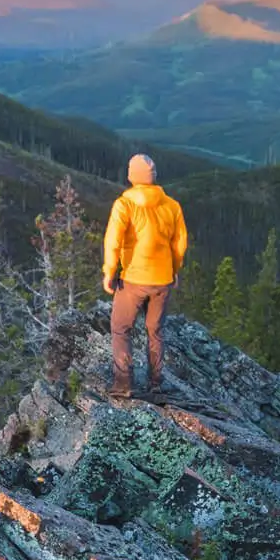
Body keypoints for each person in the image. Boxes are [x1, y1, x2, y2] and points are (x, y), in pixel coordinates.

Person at [102, 153, 188, 401]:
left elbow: (113, 241)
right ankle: (156, 383)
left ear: (131, 176)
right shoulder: (172, 205)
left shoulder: (124, 204)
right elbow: (179, 244)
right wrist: (174, 270)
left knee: (121, 329)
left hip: (133, 279)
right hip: (162, 279)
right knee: (156, 330)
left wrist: (110, 272)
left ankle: (123, 384)